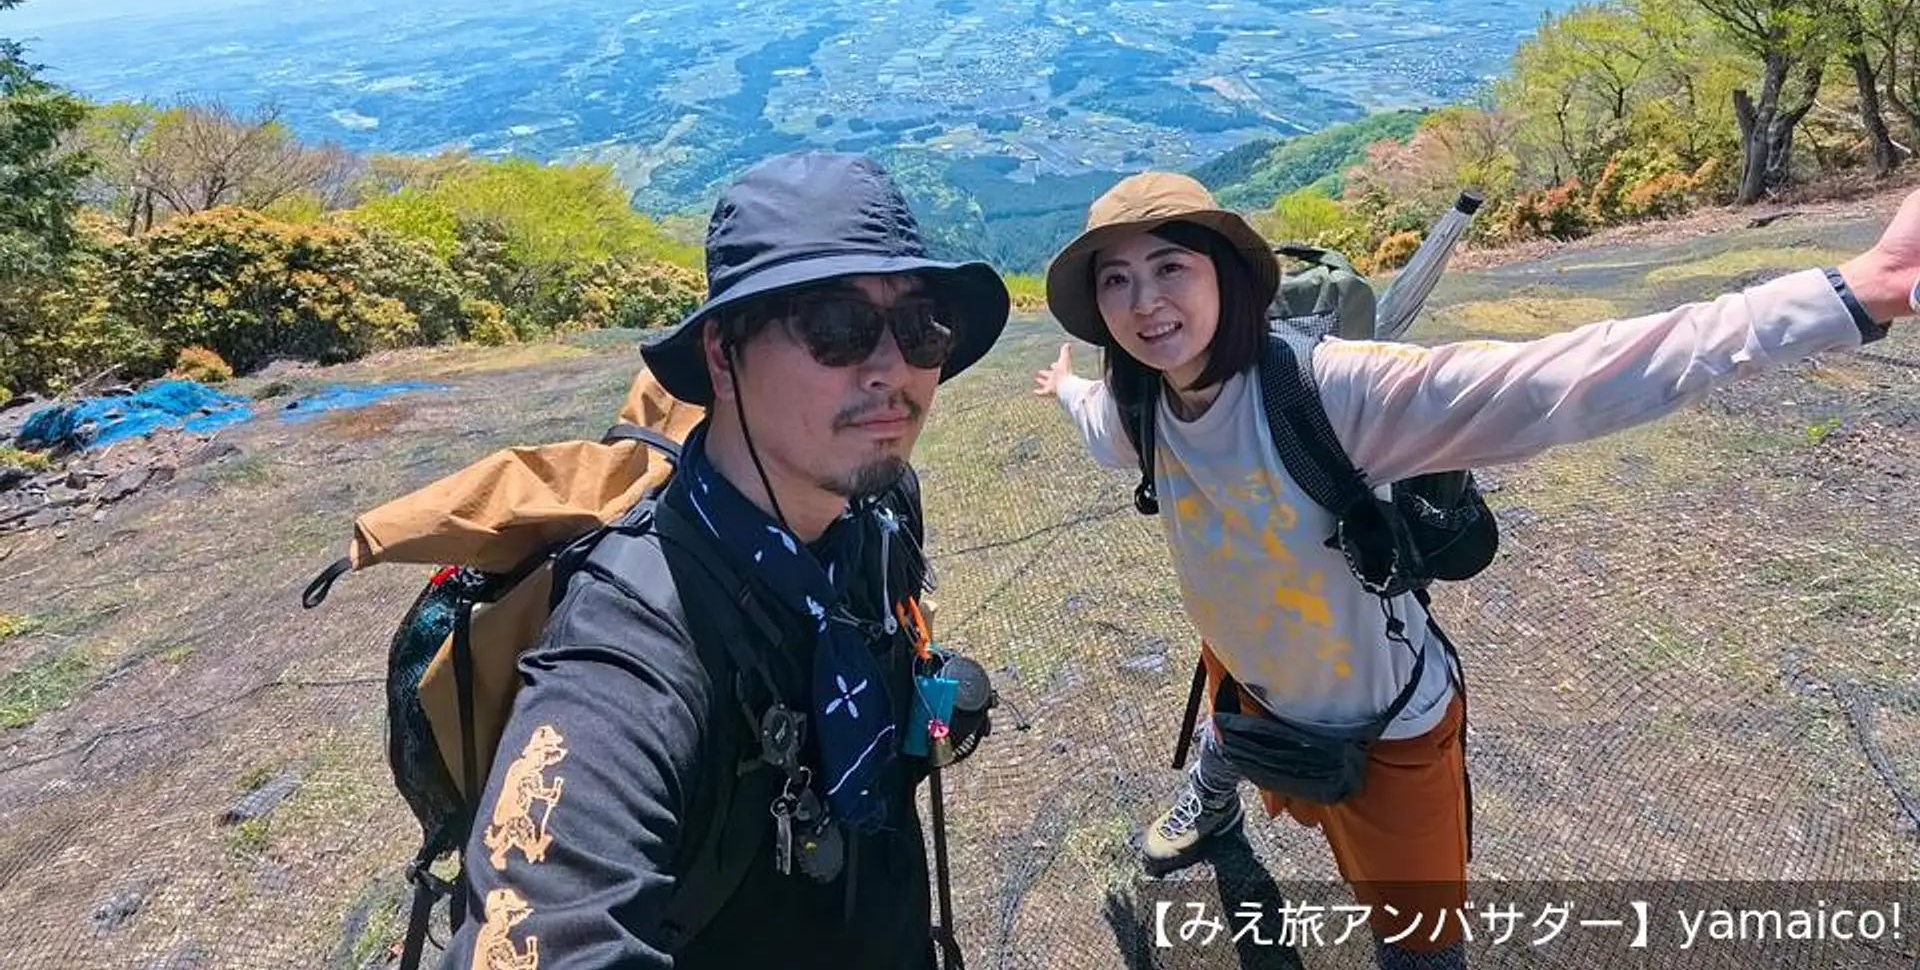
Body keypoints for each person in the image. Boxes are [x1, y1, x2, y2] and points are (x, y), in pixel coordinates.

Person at [1033, 169, 1920, 970]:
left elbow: (1556, 378)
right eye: (1117, 279)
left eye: (1170, 267)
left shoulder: (1330, 392)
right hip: (1244, 666)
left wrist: (1849, 294)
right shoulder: (1138, 409)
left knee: (1420, 939)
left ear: (1228, 274)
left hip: (1383, 723)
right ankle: (1213, 805)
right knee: (1226, 728)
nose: (1144, 302)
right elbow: (1092, 416)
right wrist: (1064, 387)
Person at [435, 150, 1010, 970]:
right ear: (721, 355)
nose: (892, 370)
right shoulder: (627, 650)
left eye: (923, 327)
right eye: (836, 325)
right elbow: (549, 926)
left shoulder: (879, 510)